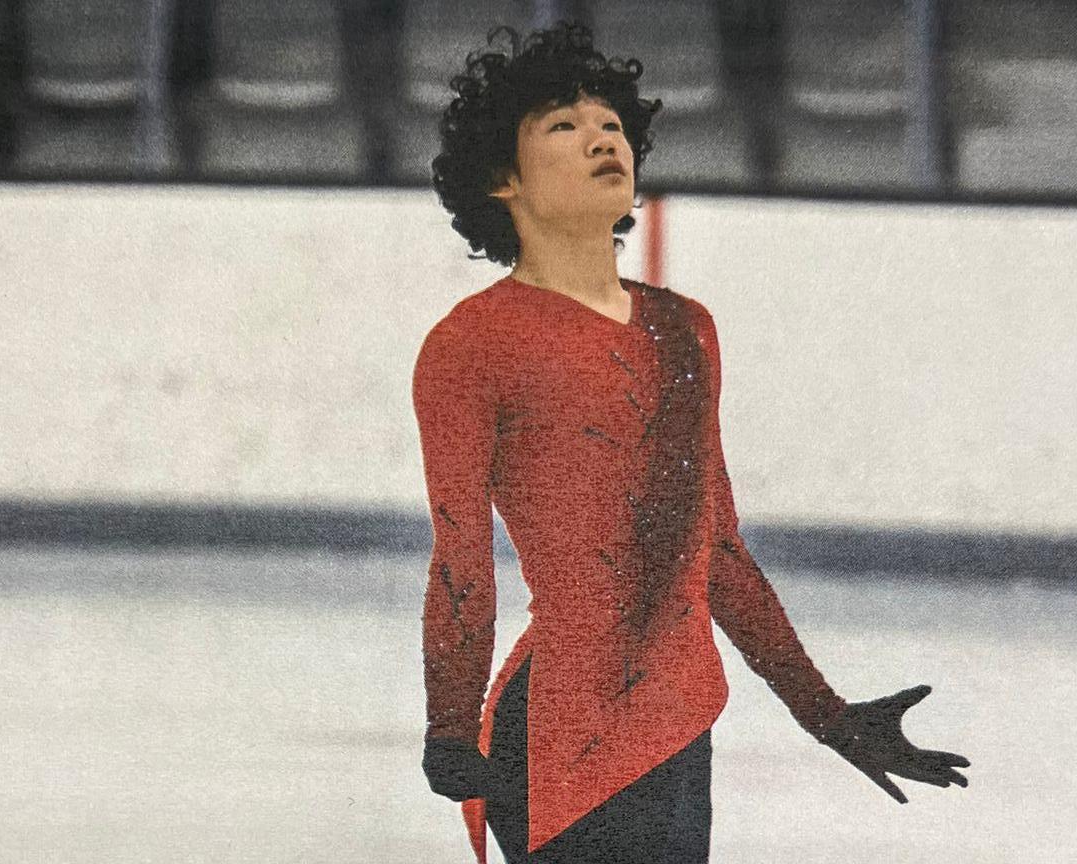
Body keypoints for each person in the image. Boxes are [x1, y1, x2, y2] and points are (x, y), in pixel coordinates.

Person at [411, 21, 969, 864]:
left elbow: (719, 552)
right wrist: (450, 725)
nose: (602, 137)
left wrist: (827, 714)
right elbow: (459, 561)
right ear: (502, 180)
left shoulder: (684, 329)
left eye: (610, 124)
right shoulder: (471, 343)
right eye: (563, 126)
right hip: (560, 735)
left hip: (680, 731)